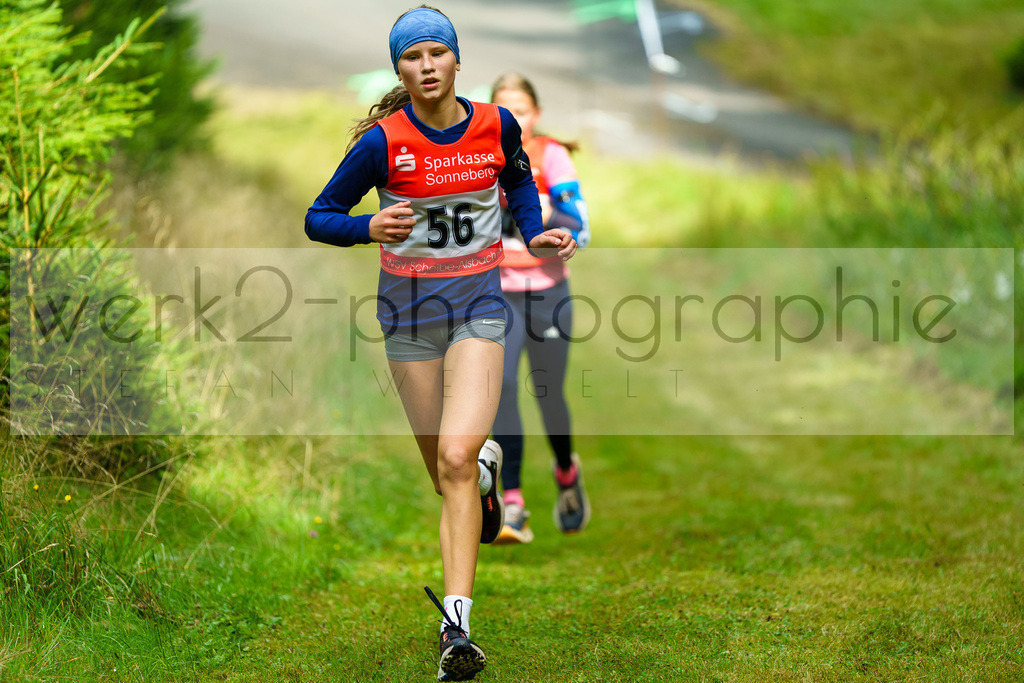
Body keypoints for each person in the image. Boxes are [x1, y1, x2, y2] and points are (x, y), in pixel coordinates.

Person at [304, 8, 576, 682]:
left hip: (481, 307)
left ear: (456, 60)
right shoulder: (381, 143)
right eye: (412, 58)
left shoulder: (495, 124)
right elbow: (319, 216)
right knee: (445, 474)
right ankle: (483, 475)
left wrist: (532, 228)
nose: (426, 67)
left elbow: (516, 178)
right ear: (399, 69)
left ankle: (457, 626)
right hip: (408, 320)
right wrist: (369, 225)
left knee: (455, 455)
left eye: (436, 54)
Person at [489, 73, 592, 545]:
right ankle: (513, 504)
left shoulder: (552, 156)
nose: (515, 118)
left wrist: (538, 206)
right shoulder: (476, 156)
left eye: (523, 109)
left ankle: (567, 473)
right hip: (496, 292)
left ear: (537, 114)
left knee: (550, 397)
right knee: (503, 386)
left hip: (549, 294)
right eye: (504, 109)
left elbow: (581, 230)